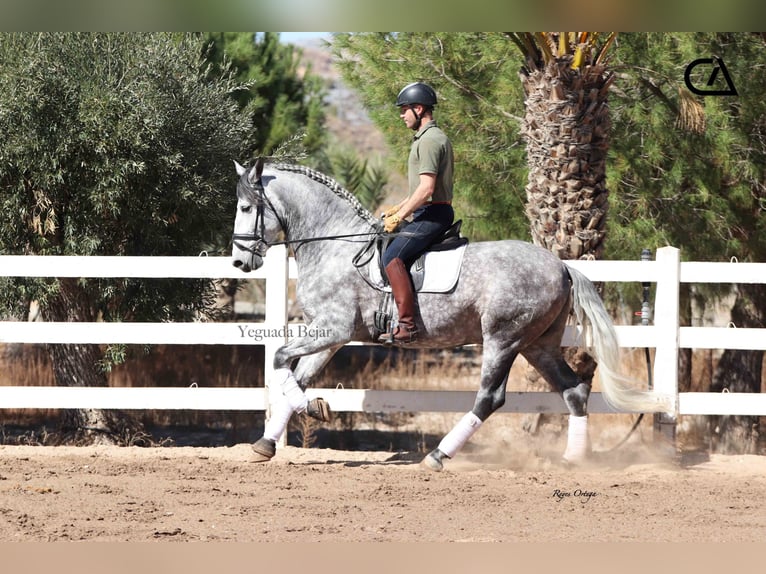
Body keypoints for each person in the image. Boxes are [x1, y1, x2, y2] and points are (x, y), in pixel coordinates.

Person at [380, 82, 455, 344]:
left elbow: (426, 189)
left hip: (433, 214)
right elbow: (418, 191)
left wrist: (400, 218)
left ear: (419, 108)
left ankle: (407, 325)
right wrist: (397, 208)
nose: (402, 115)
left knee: (392, 257)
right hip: (429, 210)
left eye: (404, 110)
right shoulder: (430, 139)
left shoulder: (430, 141)